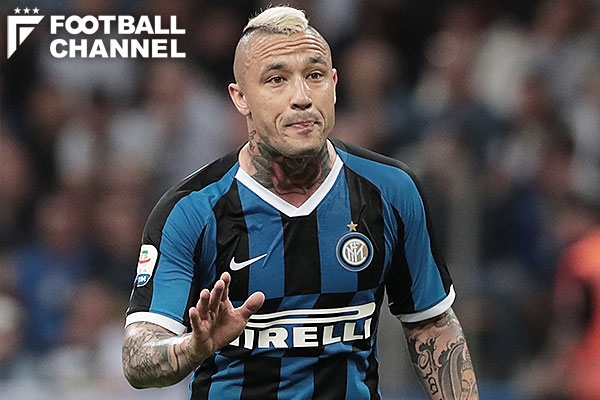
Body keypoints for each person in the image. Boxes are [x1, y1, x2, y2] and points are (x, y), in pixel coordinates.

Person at [122, 6, 479, 399]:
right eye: (277, 79)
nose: (302, 97)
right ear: (241, 98)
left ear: (335, 84)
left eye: (315, 75)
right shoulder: (190, 210)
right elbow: (138, 358)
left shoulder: (391, 192)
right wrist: (193, 346)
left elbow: (431, 325)